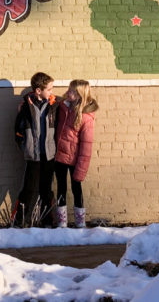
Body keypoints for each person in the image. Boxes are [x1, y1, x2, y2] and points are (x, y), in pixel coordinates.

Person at [12, 72, 57, 227]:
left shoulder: (54, 105)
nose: (52, 92)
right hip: (33, 156)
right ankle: (19, 221)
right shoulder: (26, 107)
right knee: (28, 189)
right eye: (49, 89)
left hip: (49, 155)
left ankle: (47, 221)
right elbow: (18, 130)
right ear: (39, 90)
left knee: (46, 191)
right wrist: (25, 147)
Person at [53, 79, 98, 228]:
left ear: (79, 95)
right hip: (60, 157)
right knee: (61, 188)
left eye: (72, 91)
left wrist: (81, 169)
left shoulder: (86, 117)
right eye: (69, 89)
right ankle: (62, 223)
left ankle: (80, 223)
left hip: (75, 161)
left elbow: (86, 147)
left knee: (76, 189)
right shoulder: (63, 107)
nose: (68, 92)